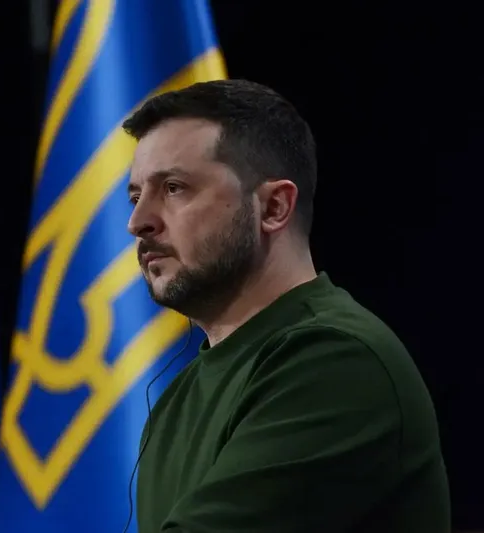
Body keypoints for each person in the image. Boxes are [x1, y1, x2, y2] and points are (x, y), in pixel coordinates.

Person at [123, 79, 450, 533]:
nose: (137, 222)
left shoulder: (336, 360)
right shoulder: (177, 400)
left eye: (174, 188)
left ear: (274, 207)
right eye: (135, 196)